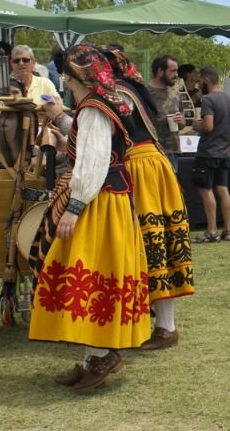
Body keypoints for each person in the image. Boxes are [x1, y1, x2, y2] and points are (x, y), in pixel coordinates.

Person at [28, 44, 152, 392]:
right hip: (106, 198)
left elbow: (94, 163)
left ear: (75, 76)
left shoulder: (95, 110)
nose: (64, 81)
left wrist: (74, 206)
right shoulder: (94, 106)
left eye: (66, 75)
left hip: (101, 202)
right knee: (91, 277)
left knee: (94, 276)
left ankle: (101, 355)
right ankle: (92, 356)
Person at [103, 49, 195, 352]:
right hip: (148, 167)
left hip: (141, 169)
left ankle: (166, 328)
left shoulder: (117, 93)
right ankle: (151, 322)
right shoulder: (131, 89)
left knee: (154, 247)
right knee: (153, 247)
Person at [192, 66, 230, 242]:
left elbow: (208, 126)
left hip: (208, 152)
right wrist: (223, 131)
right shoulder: (229, 99)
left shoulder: (208, 99)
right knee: (223, 190)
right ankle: (228, 230)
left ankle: (211, 231)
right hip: (224, 152)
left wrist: (197, 125)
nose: (198, 84)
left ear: (206, 80)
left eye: (199, 80)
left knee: (206, 190)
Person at [144, 54, 183, 155]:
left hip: (173, 152)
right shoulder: (144, 93)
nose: (176, 75)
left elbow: (182, 124)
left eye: (177, 70)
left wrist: (180, 120)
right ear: (160, 72)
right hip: (152, 152)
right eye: (172, 71)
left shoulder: (175, 94)